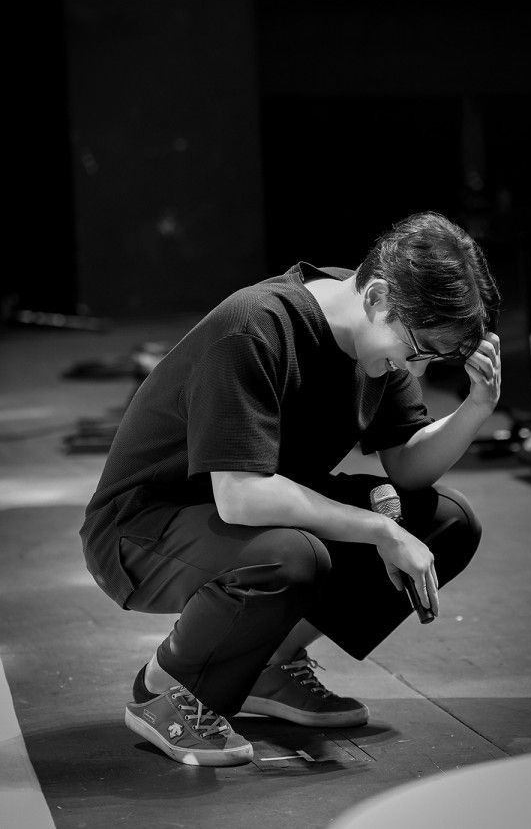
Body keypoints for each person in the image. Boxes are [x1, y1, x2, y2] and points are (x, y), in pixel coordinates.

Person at [80, 211, 501, 767]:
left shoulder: (378, 340)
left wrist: (475, 410)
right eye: (418, 350)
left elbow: (407, 467)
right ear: (376, 297)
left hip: (240, 510)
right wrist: (376, 529)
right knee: (293, 556)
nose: (415, 372)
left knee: (447, 520)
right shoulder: (255, 326)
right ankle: (169, 689)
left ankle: (269, 663)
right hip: (142, 528)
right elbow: (241, 496)